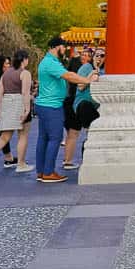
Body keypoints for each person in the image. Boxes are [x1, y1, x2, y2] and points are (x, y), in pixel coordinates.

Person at [35, 37, 98, 183]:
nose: (65, 50)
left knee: (43, 138)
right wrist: (88, 80)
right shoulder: (51, 63)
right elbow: (69, 76)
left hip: (45, 104)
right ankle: (48, 172)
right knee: (55, 138)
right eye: (64, 47)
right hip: (52, 106)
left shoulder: (48, 61)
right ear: (57, 47)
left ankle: (42, 171)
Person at [0, 50, 34, 174]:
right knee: (23, 135)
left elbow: (0, 92)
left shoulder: (5, 73)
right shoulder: (25, 73)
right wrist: (27, 109)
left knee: (4, 137)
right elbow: (25, 93)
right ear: (25, 60)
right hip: (19, 103)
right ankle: (21, 164)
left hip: (6, 103)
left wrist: (0, 109)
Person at [62, 48, 102, 171]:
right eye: (97, 55)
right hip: (79, 103)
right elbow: (80, 86)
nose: (99, 57)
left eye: (103, 55)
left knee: (78, 133)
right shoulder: (86, 68)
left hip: (97, 106)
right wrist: (93, 73)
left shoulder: (105, 70)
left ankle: (70, 160)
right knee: (75, 133)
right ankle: (69, 161)